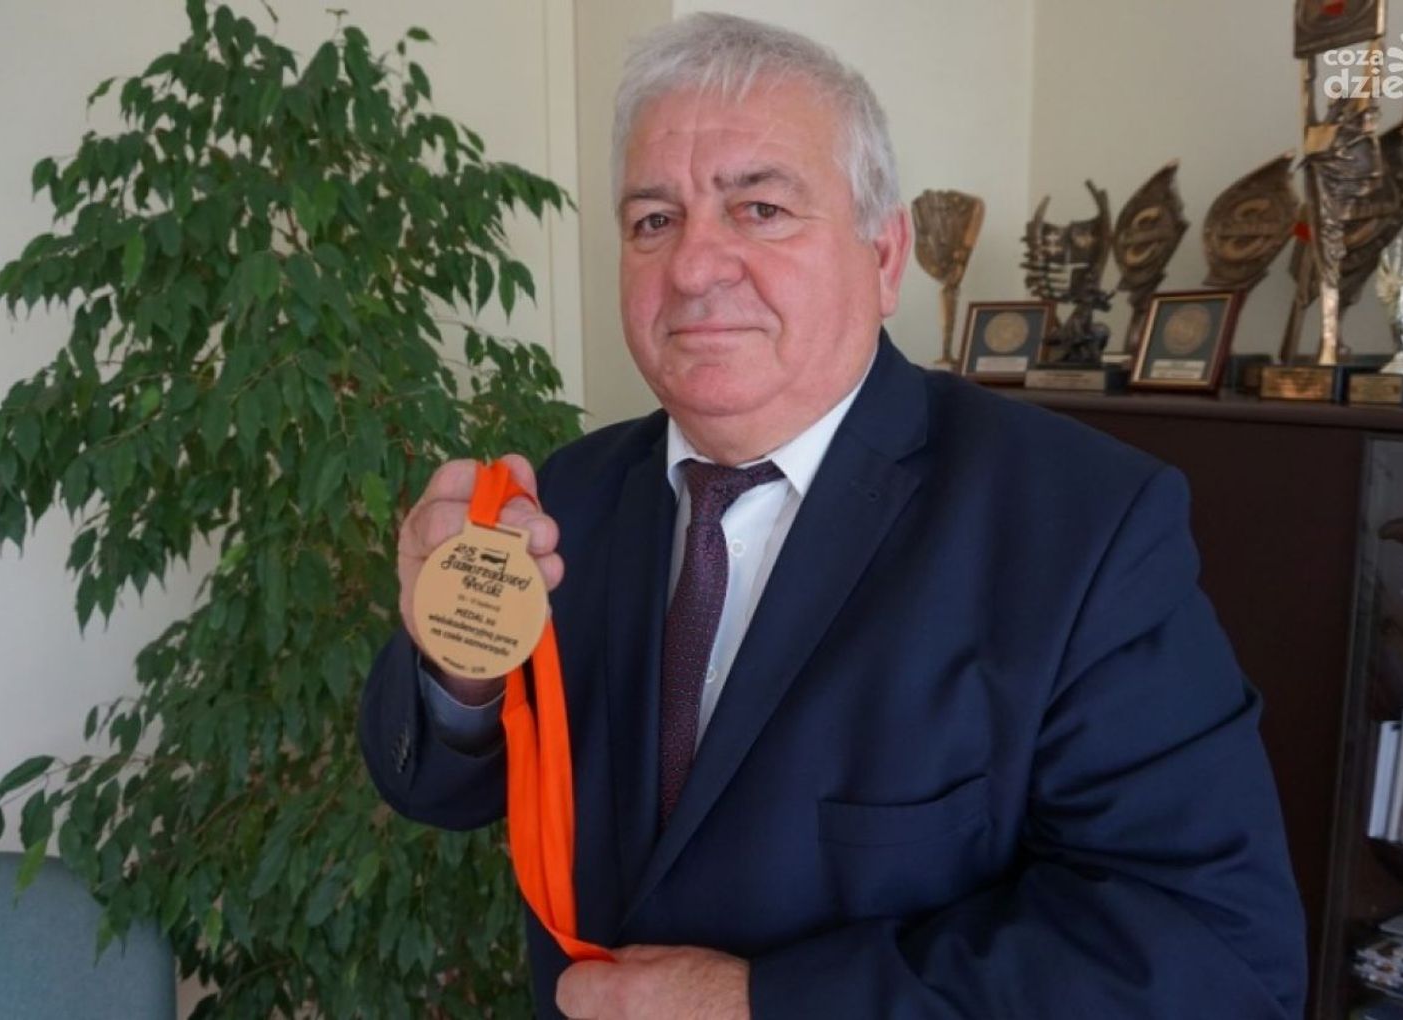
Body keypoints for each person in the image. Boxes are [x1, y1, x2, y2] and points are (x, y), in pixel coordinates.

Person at [360, 12, 1307, 1019]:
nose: (693, 266)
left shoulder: (1085, 526)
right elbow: (442, 788)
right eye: (654, 220)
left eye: (760, 208)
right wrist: (458, 670)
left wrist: (761, 1003)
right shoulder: (570, 496)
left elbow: (1215, 956)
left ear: (885, 255)